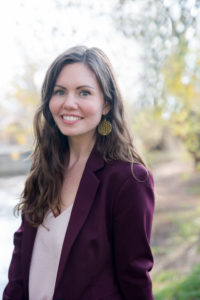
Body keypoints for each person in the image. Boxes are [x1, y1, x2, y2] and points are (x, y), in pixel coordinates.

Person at [3, 45, 155, 300]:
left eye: (84, 92)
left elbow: (135, 279)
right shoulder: (44, 171)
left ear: (106, 104)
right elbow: (19, 271)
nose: (68, 103)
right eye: (59, 91)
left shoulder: (128, 180)